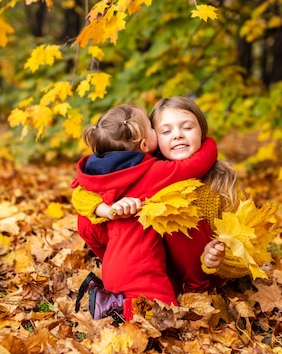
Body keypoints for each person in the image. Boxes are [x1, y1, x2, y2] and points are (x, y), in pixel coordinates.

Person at [79, 97, 252, 297]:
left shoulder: (222, 183)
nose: (177, 135)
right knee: (89, 219)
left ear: (201, 131)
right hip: (160, 268)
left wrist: (221, 259)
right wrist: (107, 210)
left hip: (206, 271)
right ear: (150, 140)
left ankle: (195, 291)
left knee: (175, 210)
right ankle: (128, 284)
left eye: (187, 128)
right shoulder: (147, 169)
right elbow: (83, 193)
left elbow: (249, 248)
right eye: (166, 131)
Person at [70, 103, 219, 322]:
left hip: (117, 254)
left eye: (186, 128)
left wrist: (105, 209)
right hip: (137, 261)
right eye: (157, 129)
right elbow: (195, 164)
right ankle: (126, 305)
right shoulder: (153, 172)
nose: (176, 136)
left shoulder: (99, 170)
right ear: (144, 144)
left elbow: (78, 193)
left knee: (90, 221)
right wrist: (209, 143)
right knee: (156, 311)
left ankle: (114, 295)